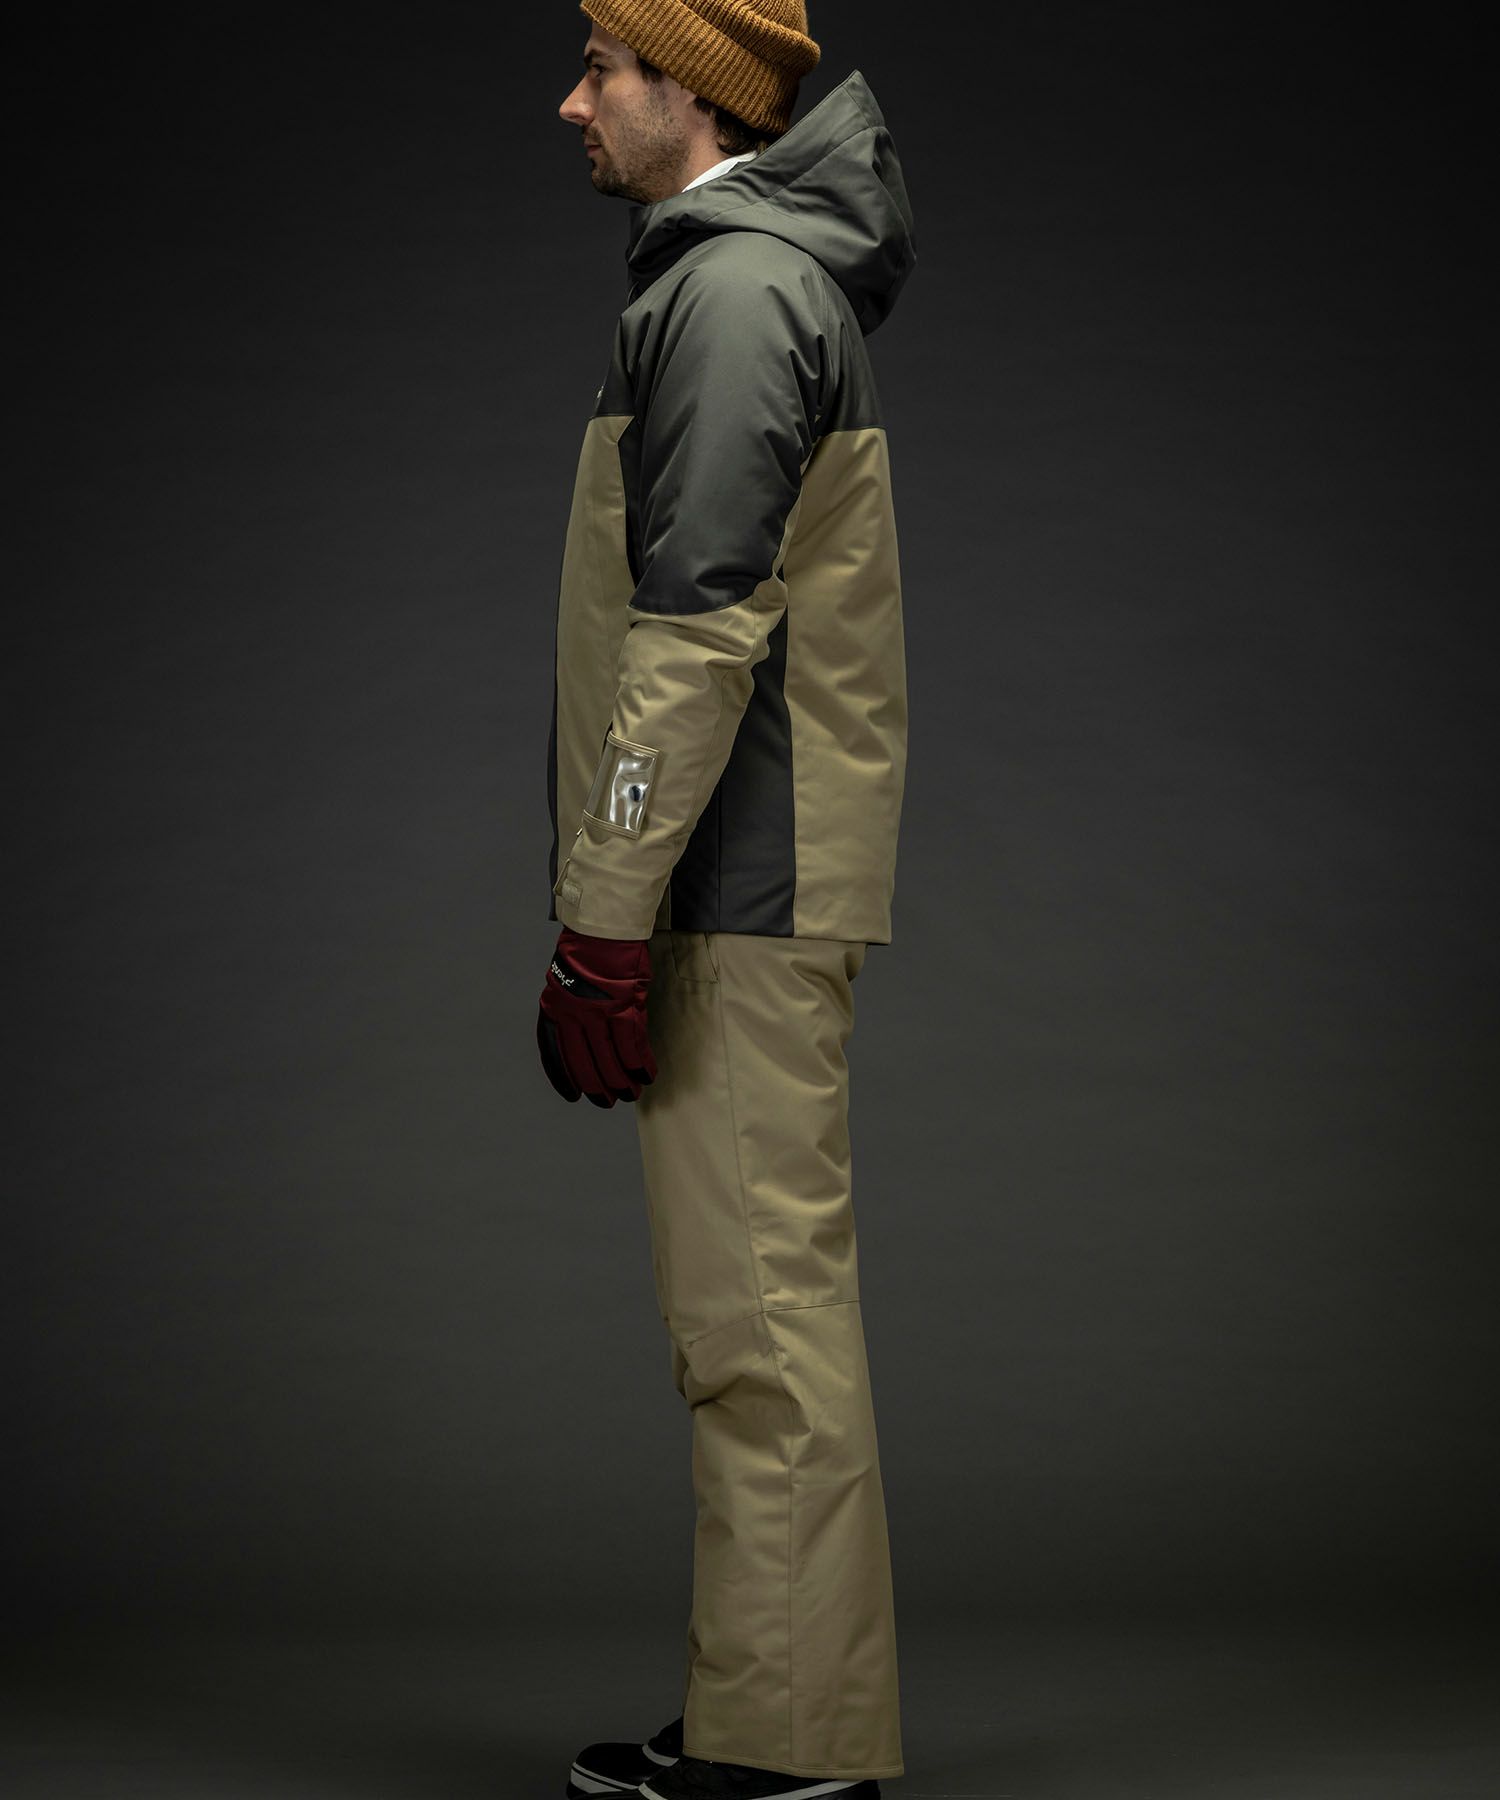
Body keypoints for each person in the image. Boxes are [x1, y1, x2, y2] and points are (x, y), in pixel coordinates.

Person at [538, 4, 916, 1796]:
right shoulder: (731, 281)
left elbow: (695, 640)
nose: (571, 100)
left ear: (692, 90)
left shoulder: (740, 296)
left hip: (733, 882)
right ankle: (781, 1712)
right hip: (742, 870)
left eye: (600, 66)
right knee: (756, 1313)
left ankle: (784, 1756)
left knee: (756, 1321)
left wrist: (602, 917)